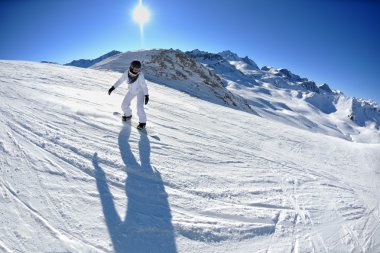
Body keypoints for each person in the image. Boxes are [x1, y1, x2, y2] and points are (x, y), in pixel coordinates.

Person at [108, 60, 149, 130]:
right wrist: (113, 87)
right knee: (124, 105)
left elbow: (144, 85)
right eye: (136, 69)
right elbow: (120, 80)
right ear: (132, 67)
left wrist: (146, 95)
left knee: (139, 107)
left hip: (140, 91)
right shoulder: (127, 73)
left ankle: (143, 123)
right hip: (131, 90)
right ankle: (128, 115)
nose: (137, 70)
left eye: (138, 69)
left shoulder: (140, 75)